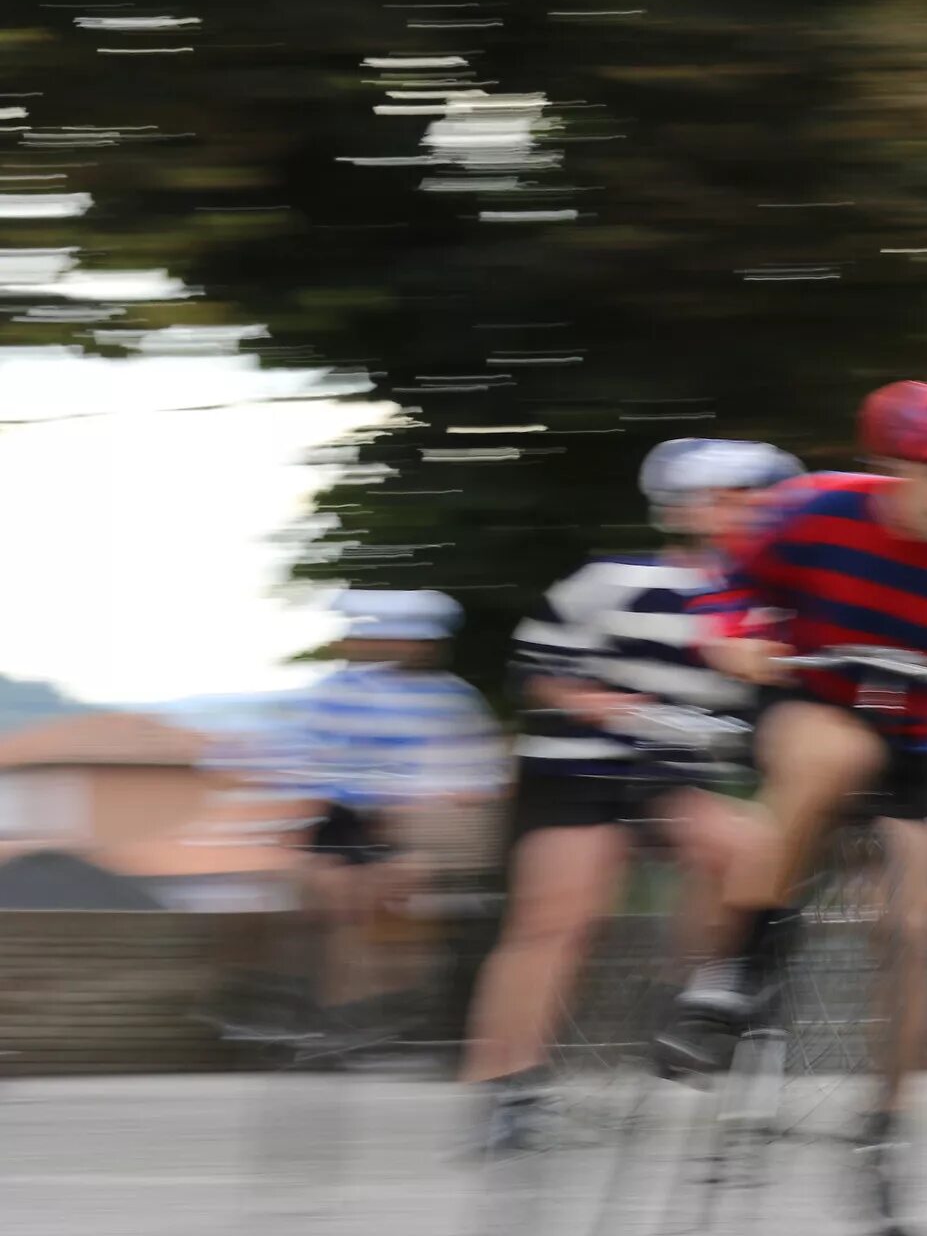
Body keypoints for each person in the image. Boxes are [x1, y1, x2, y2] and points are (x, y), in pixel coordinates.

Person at [662, 382, 927, 1236]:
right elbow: (730, 585)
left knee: (921, 920)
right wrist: (733, 637)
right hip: (809, 701)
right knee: (834, 754)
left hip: (919, 737)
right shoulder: (812, 510)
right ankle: (733, 974)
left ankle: (885, 1128)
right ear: (889, 465)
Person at [457, 438, 798, 1149]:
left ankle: (699, 1000)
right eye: (736, 498)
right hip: (578, 766)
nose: (754, 513)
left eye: (764, 499)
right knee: (560, 918)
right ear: (688, 509)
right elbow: (538, 673)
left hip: (675, 772)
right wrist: (616, 708)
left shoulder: (775, 607)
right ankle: (506, 1090)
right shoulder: (611, 579)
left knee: (752, 851)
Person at [288, 589, 506, 1033]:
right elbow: (308, 762)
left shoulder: (451, 699)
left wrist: (420, 799)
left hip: (420, 828)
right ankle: (343, 1015)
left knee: (387, 888)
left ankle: (378, 1007)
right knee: (331, 891)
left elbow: (481, 779)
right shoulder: (336, 693)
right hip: (348, 821)